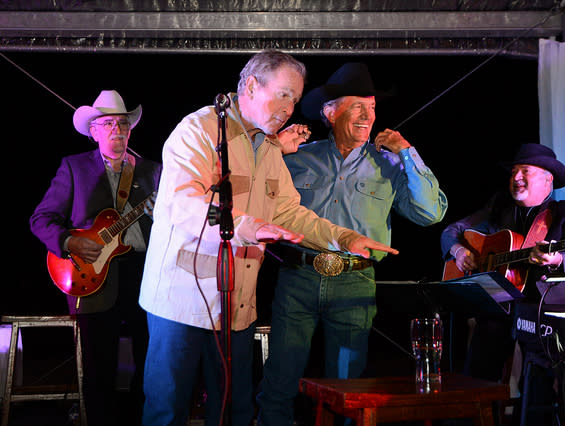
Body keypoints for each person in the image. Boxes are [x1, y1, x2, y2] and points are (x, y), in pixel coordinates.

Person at [138, 50, 398, 426]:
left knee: (234, 412)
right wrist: (247, 226)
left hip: (236, 308)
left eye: (295, 98)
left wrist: (345, 238)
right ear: (251, 85)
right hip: (182, 304)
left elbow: (290, 212)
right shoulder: (199, 130)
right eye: (284, 94)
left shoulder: (269, 148)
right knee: (168, 411)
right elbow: (180, 202)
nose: (290, 107)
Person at [256, 62, 448, 426]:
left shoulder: (389, 164)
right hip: (298, 277)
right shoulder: (299, 155)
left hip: (354, 281)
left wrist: (407, 151)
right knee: (279, 379)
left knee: (348, 387)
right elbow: (252, 195)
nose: (368, 115)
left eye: (372, 106)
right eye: (357, 105)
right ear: (331, 111)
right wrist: (273, 150)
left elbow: (430, 213)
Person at [30, 90, 162, 426]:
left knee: (149, 365)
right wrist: (70, 241)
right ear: (93, 131)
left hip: (144, 274)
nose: (116, 129)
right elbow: (41, 218)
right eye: (107, 124)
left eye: (122, 123)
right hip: (91, 276)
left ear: (130, 130)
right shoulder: (74, 167)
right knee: (98, 369)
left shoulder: (154, 172)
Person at [440, 143, 565, 424]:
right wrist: (459, 251)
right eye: (513, 172)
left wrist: (556, 258)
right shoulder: (499, 206)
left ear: (548, 179)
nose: (516, 178)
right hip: (500, 302)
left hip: (545, 308)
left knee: (536, 387)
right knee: (476, 376)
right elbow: (453, 231)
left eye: (525, 171)